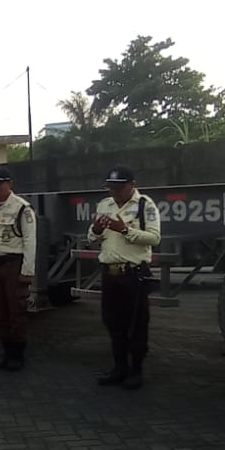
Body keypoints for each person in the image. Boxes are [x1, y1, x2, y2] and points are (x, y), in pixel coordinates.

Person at [87, 166, 162, 389]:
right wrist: (96, 229)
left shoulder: (145, 204)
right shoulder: (104, 205)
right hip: (110, 274)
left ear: (132, 185)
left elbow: (155, 238)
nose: (115, 192)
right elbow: (91, 238)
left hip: (133, 274)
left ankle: (136, 371)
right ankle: (119, 368)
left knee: (136, 324)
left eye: (119, 188)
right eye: (111, 188)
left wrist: (125, 230)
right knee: (113, 322)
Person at [0, 168, 36, 371]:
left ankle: (17, 354)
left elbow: (30, 242)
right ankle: (6, 351)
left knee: (16, 310)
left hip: (13, 265)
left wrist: (27, 272)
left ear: (9, 184)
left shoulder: (22, 209)